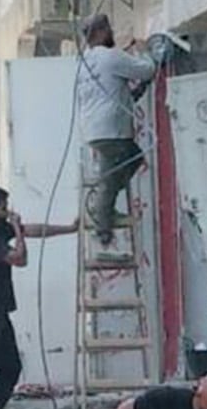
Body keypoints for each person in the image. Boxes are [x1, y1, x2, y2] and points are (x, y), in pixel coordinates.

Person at [71, 13, 198, 244]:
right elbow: (146, 69)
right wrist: (143, 50)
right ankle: (103, 224)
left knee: (128, 162)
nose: (111, 33)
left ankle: (104, 208)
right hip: (112, 130)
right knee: (116, 173)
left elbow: (110, 93)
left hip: (93, 129)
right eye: (108, 29)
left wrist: (135, 92)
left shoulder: (83, 63)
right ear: (99, 33)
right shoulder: (109, 57)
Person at [0, 181, 72, 409]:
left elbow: (33, 229)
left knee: (10, 365)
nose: (8, 211)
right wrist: (17, 231)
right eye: (4, 207)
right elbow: (19, 259)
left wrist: (69, 229)